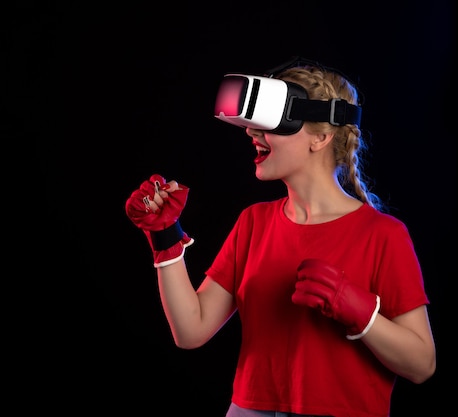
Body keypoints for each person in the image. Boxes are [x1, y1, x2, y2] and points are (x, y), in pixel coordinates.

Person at [124, 58, 436, 417]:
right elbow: (191, 331)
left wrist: (361, 314)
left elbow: (421, 365)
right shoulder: (253, 222)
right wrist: (164, 237)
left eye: (272, 123)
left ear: (321, 137)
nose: (251, 133)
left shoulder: (383, 235)